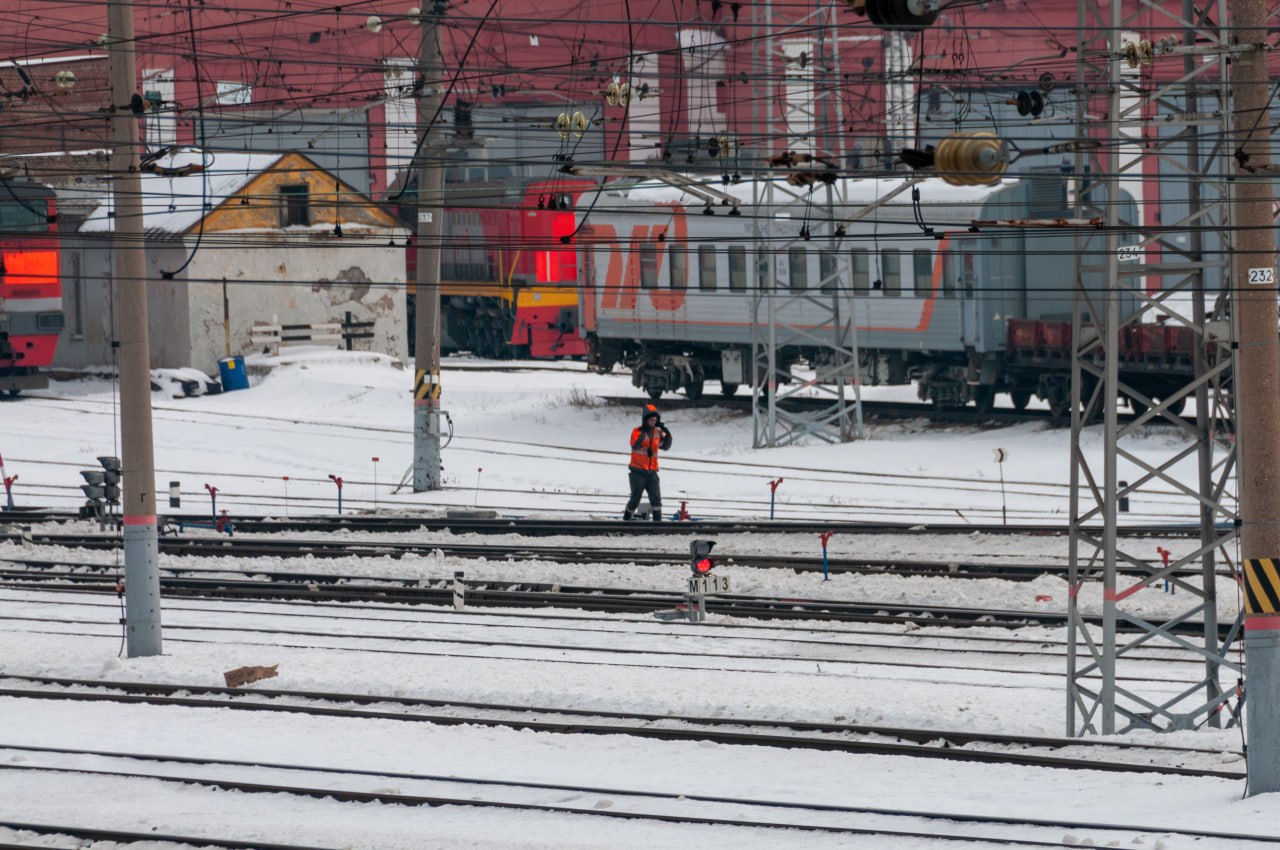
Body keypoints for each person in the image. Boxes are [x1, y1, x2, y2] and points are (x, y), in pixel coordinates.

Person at [624, 404, 672, 521]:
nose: (653, 422)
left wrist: (668, 434)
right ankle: (626, 519)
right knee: (635, 499)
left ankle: (657, 524)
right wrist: (644, 433)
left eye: (655, 420)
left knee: (656, 500)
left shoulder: (657, 433)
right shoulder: (637, 431)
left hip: (652, 473)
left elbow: (665, 447)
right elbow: (634, 445)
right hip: (637, 472)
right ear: (645, 419)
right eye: (651, 420)